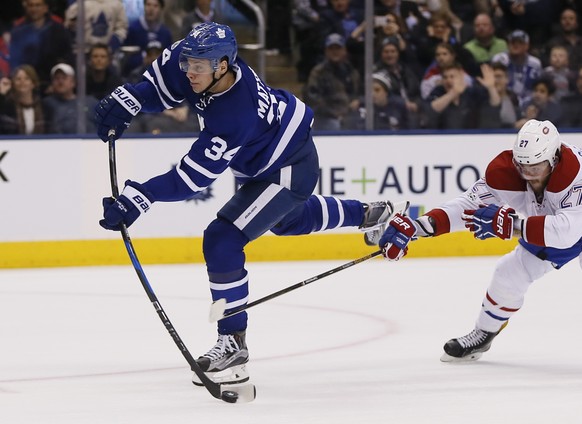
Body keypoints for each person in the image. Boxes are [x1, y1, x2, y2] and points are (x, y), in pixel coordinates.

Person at [93, 22, 395, 388]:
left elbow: (192, 179)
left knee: (222, 239)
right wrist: (130, 99)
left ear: (222, 65)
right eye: (188, 62)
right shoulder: (193, 59)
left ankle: (233, 343)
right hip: (259, 160)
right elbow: (160, 86)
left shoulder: (234, 115)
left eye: (199, 67)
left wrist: (140, 196)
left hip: (288, 166)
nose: (190, 71)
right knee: (286, 220)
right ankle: (368, 214)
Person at [378, 118, 582, 361]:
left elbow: (567, 232)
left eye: (535, 168)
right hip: (548, 224)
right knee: (508, 273)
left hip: (567, 225)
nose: (528, 175)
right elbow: (467, 207)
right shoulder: (506, 172)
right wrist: (419, 226)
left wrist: (512, 226)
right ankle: (483, 334)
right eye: (523, 167)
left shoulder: (574, 176)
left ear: (554, 159)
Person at [303, 33, 361, 131]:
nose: (335, 52)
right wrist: (335, 113)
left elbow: (359, 93)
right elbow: (313, 99)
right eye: (331, 49)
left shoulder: (351, 71)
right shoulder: (318, 73)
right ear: (326, 51)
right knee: (335, 126)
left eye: (338, 48)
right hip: (325, 117)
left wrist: (357, 101)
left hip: (350, 115)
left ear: (344, 50)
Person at [42, 63, 98, 134]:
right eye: (57, 78)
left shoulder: (90, 102)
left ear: (73, 82)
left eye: (64, 78)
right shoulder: (47, 104)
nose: (60, 82)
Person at [122, 0, 173, 76]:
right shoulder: (133, 29)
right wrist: (143, 58)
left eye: (155, 6)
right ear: (144, 6)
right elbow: (125, 58)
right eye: (148, 5)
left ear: (161, 9)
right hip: (135, 75)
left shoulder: (165, 33)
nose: (151, 9)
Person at [0, 65, 45, 134]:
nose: (22, 82)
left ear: (33, 83)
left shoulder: (44, 107)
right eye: (18, 79)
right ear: (13, 84)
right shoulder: (7, 106)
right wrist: (1, 94)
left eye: (26, 78)